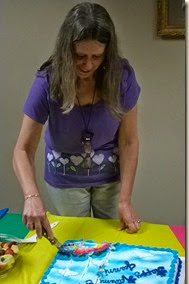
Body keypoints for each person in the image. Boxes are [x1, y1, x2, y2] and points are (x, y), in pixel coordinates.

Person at [13, 2, 141, 239]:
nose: (88, 64)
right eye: (80, 56)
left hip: (111, 178)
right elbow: (22, 149)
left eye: (97, 57)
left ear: (107, 53)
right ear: (66, 49)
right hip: (65, 179)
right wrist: (32, 197)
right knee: (75, 246)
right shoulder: (47, 82)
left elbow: (129, 142)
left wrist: (125, 199)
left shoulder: (121, 77)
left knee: (113, 244)